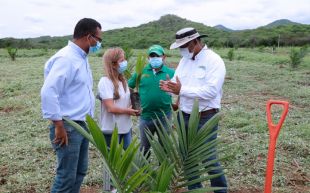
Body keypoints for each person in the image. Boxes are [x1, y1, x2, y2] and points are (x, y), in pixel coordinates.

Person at [160, 27, 227, 192]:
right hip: (184, 115)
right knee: (187, 158)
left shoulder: (214, 60)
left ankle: (221, 190)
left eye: (184, 46)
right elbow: (178, 83)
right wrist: (170, 87)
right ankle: (194, 189)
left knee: (208, 157)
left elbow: (211, 91)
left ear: (196, 41)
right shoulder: (184, 61)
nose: (182, 51)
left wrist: (180, 90)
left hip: (205, 116)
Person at [41, 18, 102, 193]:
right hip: (68, 126)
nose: (99, 44)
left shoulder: (81, 58)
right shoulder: (66, 58)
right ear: (88, 37)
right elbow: (49, 92)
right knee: (66, 175)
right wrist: (58, 125)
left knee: (79, 172)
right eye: (98, 39)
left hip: (81, 124)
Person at [97, 47, 139, 193]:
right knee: (112, 166)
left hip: (125, 128)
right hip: (111, 130)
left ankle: (123, 188)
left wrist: (134, 108)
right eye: (122, 60)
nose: (125, 62)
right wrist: (128, 111)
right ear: (113, 63)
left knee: (127, 162)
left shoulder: (123, 81)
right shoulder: (105, 82)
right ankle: (109, 190)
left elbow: (124, 103)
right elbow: (110, 107)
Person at [128, 45, 175, 155]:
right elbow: (129, 86)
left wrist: (177, 103)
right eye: (152, 56)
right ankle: (144, 169)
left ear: (163, 57)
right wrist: (135, 104)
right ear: (148, 58)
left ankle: (163, 168)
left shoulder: (171, 72)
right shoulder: (141, 72)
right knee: (144, 147)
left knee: (165, 146)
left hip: (164, 116)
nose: (154, 58)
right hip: (146, 116)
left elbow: (179, 89)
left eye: (157, 55)